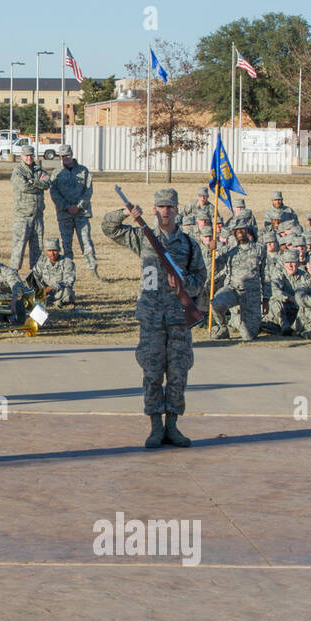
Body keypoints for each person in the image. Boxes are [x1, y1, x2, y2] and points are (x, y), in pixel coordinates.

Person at [102, 188, 207, 449]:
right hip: (151, 318)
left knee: (178, 373)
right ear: (154, 210)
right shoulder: (143, 238)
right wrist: (126, 213)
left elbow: (200, 278)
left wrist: (183, 284)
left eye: (171, 207)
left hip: (179, 318)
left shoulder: (189, 245)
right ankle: (155, 428)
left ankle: (172, 425)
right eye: (161, 206)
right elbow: (109, 228)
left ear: (177, 209)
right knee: (151, 372)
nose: (166, 211)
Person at [209, 214, 266, 341]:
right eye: (237, 230)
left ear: (247, 230)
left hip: (252, 295)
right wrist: (210, 252)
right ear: (233, 233)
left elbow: (264, 275)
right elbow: (212, 269)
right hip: (233, 290)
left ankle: (240, 322)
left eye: (243, 229)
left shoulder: (260, 250)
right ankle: (223, 328)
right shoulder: (229, 250)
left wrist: (266, 298)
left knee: (248, 336)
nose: (240, 232)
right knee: (216, 303)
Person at [48, 145, 97, 277]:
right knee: (66, 245)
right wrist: (66, 207)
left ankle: (93, 270)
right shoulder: (56, 173)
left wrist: (79, 206)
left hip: (81, 213)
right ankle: (68, 272)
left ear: (72, 154)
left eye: (67, 155)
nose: (65, 158)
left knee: (86, 242)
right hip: (65, 214)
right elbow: (54, 193)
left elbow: (88, 190)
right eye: (63, 156)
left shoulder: (83, 171)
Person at [10, 147, 51, 271]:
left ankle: (35, 279)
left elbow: (48, 184)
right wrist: (38, 184)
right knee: (18, 248)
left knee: (37, 248)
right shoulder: (18, 171)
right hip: (23, 217)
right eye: (26, 155)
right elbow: (23, 187)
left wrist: (33, 181)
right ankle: (13, 277)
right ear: (21, 156)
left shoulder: (39, 170)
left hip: (37, 217)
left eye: (31, 155)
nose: (29, 158)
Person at [32, 237, 76, 308]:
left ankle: (64, 303)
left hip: (60, 293)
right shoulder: (42, 262)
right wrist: (39, 290)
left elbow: (69, 281)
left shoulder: (67, 262)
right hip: (45, 293)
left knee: (67, 291)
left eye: (55, 250)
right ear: (46, 251)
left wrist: (51, 287)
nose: (52, 253)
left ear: (59, 250)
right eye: (49, 250)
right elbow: (33, 276)